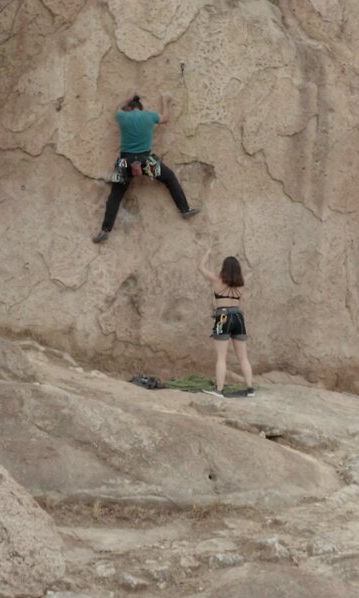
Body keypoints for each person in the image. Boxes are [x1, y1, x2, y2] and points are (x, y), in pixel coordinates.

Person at [93, 92, 199, 243]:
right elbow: (165, 119)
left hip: (125, 161)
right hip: (145, 160)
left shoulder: (123, 117)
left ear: (129, 107)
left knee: (115, 195)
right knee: (169, 178)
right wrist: (164, 101)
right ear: (140, 108)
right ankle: (185, 209)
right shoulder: (150, 116)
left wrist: (128, 97)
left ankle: (105, 230)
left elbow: (116, 109)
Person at [197, 248, 254, 398]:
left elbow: (200, 268)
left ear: (224, 268)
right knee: (243, 357)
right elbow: (241, 305)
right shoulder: (241, 285)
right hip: (238, 317)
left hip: (222, 316)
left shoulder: (217, 280)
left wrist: (207, 253)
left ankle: (219, 390)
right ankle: (250, 389)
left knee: (221, 357)